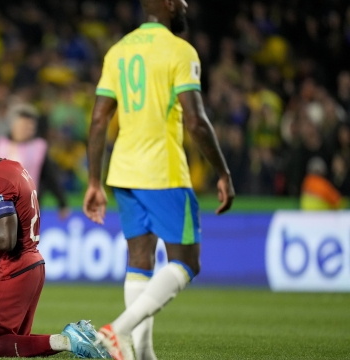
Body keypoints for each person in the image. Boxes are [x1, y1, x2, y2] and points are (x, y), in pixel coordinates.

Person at [83, 1, 235, 359]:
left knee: (140, 260)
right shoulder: (180, 51)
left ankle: (143, 354)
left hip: (122, 170)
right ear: (167, 4)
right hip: (162, 170)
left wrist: (94, 181)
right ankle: (116, 332)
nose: (185, 5)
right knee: (187, 261)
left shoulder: (117, 51)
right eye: (181, 0)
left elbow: (99, 120)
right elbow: (196, 121)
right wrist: (223, 171)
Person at [0, 141, 108, 358]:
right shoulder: (12, 167)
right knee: (6, 344)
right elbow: (11, 228)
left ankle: (70, 340)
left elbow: (6, 240)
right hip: (30, 266)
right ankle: (73, 340)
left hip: (13, 269)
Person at [0, 107, 70, 219]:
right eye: (23, 126)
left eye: (30, 127)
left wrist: (62, 203)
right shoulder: (0, 144)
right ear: (13, 126)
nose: (27, 131)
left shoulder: (39, 147)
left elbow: (49, 175)